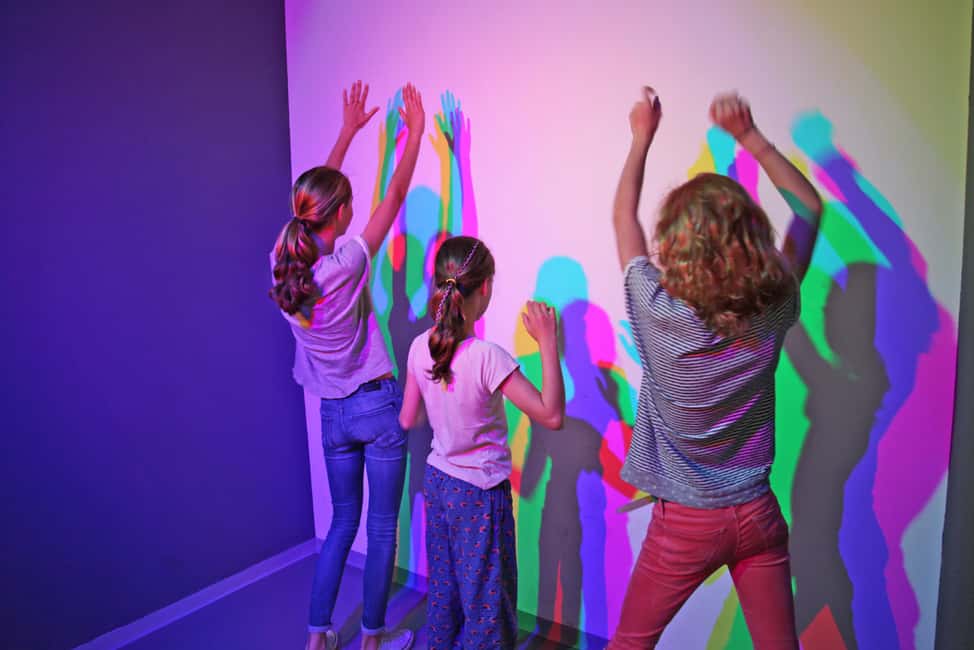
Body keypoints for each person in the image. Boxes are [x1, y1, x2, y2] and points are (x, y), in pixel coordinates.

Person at [607, 88, 823, 649]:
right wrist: (749, 136)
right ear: (752, 237)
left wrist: (641, 137)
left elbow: (623, 217)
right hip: (757, 513)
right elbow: (808, 210)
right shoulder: (775, 303)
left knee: (629, 644)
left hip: (686, 523)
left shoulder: (658, 311)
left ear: (675, 247)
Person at [269, 81, 425, 650]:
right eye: (349, 203)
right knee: (380, 529)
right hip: (376, 407)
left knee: (340, 526)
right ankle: (374, 640)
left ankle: (318, 637)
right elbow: (398, 193)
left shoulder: (282, 266)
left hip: (332, 416)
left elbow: (310, 206)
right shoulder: (349, 263)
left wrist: (347, 133)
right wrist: (416, 134)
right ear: (340, 214)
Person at [397, 236, 566, 649]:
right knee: (486, 603)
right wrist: (547, 342)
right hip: (479, 495)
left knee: (445, 591)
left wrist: (445, 408)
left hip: (439, 483)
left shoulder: (420, 346)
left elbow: (408, 419)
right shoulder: (488, 356)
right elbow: (551, 415)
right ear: (485, 287)